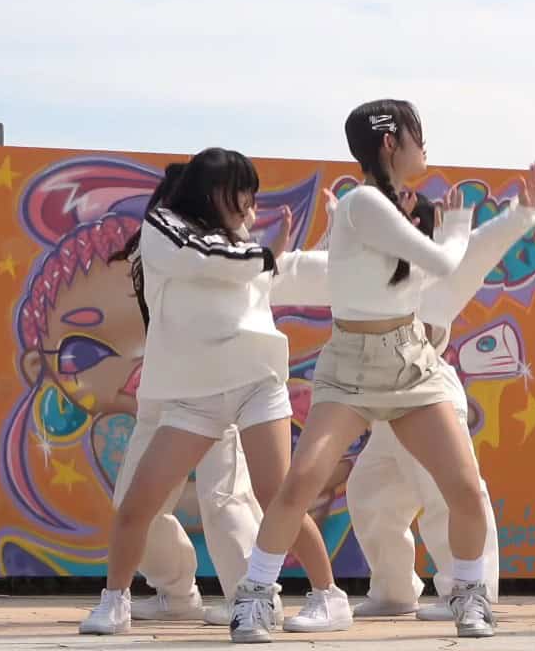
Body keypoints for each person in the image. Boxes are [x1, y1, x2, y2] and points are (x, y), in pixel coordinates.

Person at [229, 99, 496, 642]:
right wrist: (457, 226)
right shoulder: (365, 203)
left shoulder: (382, 209)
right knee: (300, 483)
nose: (425, 144)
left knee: (464, 489)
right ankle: (254, 597)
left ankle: (470, 596)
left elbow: (401, 279)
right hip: (351, 370)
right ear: (390, 142)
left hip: (410, 364)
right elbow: (442, 261)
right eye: (416, 133)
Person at [79, 148, 346, 636]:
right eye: (242, 192)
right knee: (138, 503)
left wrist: (307, 243)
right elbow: (206, 259)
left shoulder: (241, 249)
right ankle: (115, 602)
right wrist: (265, 253)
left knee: (277, 496)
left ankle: (324, 595)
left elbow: (290, 274)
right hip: (192, 395)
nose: (249, 204)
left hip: (256, 383)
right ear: (214, 191)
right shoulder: (166, 230)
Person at [347, 167, 535, 621]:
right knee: (370, 496)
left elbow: (480, 248)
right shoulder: (375, 274)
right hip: (389, 409)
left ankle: (468, 591)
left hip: (428, 400)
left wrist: (521, 212)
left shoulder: (437, 274)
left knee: (445, 497)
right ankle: (394, 590)